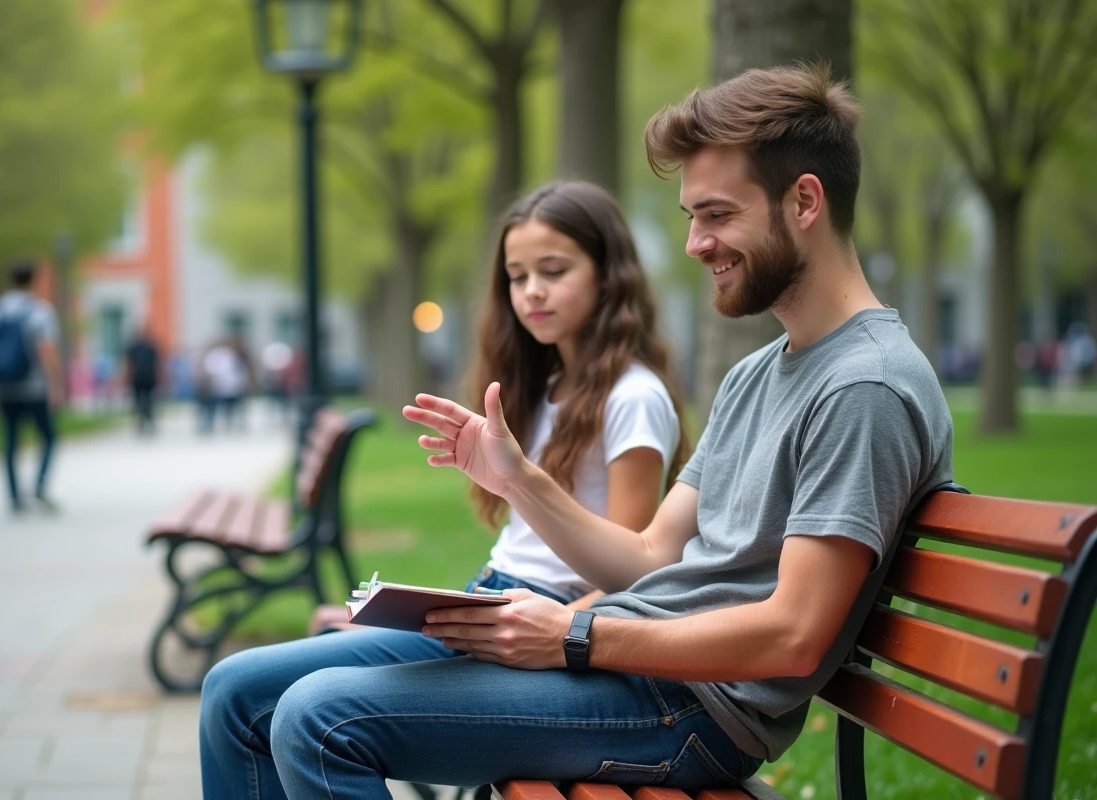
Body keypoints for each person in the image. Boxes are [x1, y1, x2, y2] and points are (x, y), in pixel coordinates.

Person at [260, 65, 956, 798]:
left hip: (691, 708)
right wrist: (518, 480)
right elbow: (652, 553)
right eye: (691, 216)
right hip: (635, 669)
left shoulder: (865, 387)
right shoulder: (759, 374)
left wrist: (574, 637)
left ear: (805, 200)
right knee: (254, 700)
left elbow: (793, 635)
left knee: (317, 718)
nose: (695, 243)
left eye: (716, 215)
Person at [198, 180, 692, 799]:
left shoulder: (634, 397)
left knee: (303, 714)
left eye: (554, 270)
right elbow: (518, 553)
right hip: (482, 606)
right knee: (230, 688)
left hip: (547, 630)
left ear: (608, 274)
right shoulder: (546, 385)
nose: (532, 290)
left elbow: (634, 573)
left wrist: (550, 627)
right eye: (517, 276)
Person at [0, 260, 64, 514]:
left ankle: (14, 496)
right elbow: (46, 350)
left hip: (4, 386)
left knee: (10, 441)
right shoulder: (39, 311)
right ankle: (39, 485)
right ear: (33, 280)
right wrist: (56, 383)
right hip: (33, 386)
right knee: (48, 437)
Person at [124, 326, 162, 435]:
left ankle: (147, 419)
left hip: (148, 378)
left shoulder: (151, 348)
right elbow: (129, 364)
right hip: (139, 378)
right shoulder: (134, 348)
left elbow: (157, 364)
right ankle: (142, 420)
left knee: (148, 401)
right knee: (140, 401)